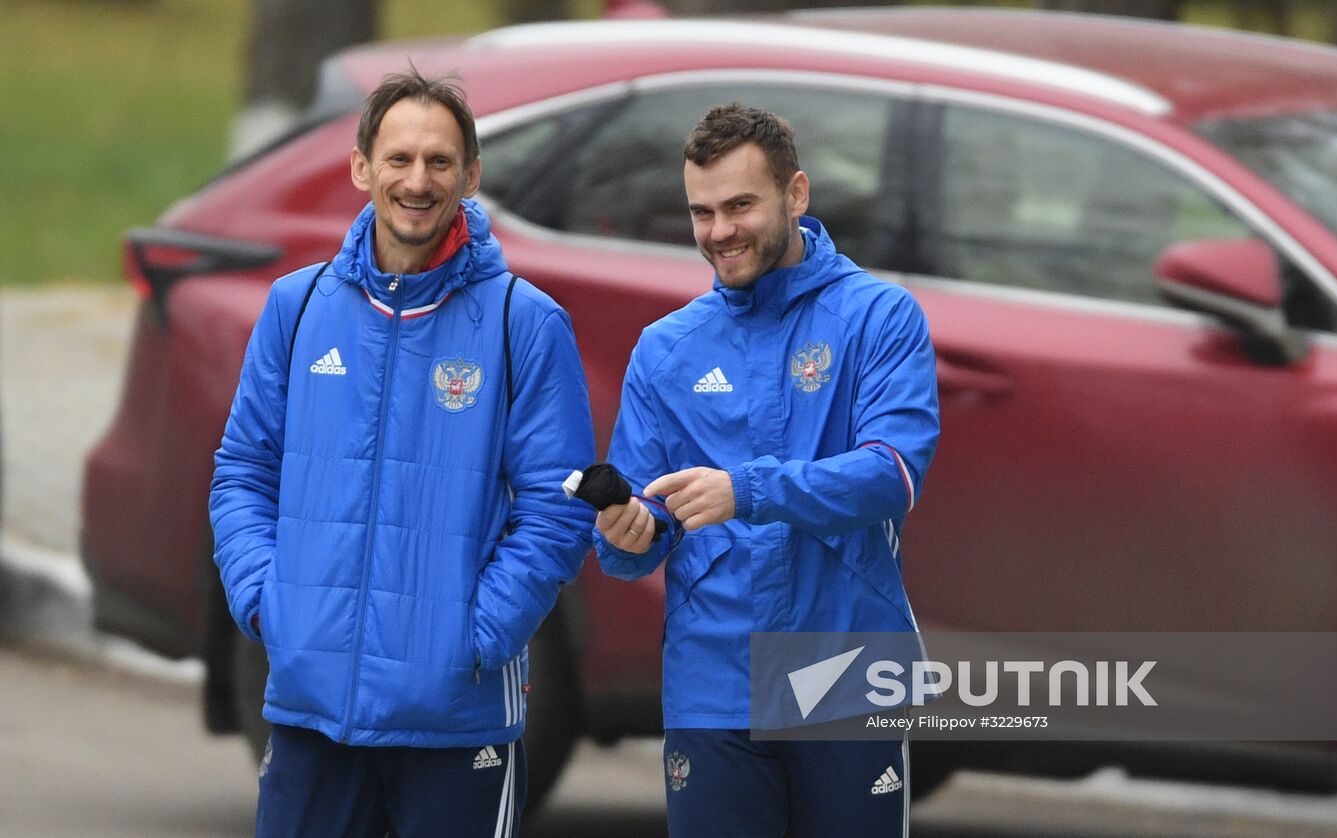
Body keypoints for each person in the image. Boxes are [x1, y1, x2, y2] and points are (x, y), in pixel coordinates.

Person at [210, 69, 595, 837]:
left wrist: (479, 634)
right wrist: (268, 600)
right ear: (362, 168)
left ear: (471, 175)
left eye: (440, 162)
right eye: (399, 159)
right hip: (312, 707)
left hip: (457, 716)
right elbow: (243, 472)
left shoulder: (525, 322)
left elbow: (561, 506)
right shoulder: (297, 307)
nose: (418, 181)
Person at [592, 104, 940, 837]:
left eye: (740, 205)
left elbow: (891, 475)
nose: (720, 232)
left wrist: (745, 490)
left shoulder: (880, 316)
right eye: (702, 212)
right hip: (713, 683)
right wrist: (629, 532)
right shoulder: (665, 348)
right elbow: (642, 526)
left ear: (796, 194)